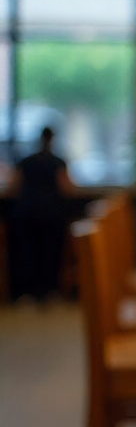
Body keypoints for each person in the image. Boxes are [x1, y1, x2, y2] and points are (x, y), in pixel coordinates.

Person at [9, 127, 76, 304]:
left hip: (27, 213)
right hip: (51, 213)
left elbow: (14, 186)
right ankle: (50, 292)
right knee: (51, 253)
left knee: (27, 252)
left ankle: (27, 294)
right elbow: (67, 188)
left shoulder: (25, 161)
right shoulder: (57, 162)